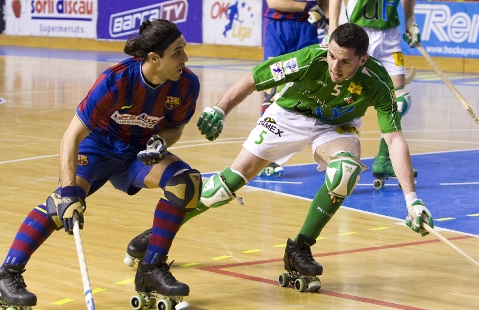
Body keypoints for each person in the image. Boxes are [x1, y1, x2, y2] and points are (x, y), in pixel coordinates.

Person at [125, 23, 433, 293]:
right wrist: (219, 109)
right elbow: (252, 81)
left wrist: (412, 200)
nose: (335, 66)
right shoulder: (309, 59)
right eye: (332, 56)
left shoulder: (376, 82)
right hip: (288, 115)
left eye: (346, 61)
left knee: (346, 173)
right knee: (225, 186)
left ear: (363, 60)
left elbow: (393, 138)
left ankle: (300, 249)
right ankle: (160, 232)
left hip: (336, 126)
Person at [0, 19, 202, 310]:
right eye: (177, 53)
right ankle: (5, 275)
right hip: (97, 148)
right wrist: (70, 190)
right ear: (154, 58)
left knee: (185, 183)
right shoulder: (115, 82)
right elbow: (70, 137)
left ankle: (151, 268)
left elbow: (174, 128)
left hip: (138, 153)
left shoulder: (186, 84)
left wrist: (159, 143)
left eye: (184, 50)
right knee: (64, 203)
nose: (185, 59)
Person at [328, 0, 420, 187]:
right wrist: (333, 29)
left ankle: (383, 160)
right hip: (357, 33)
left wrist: (410, 21)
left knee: (400, 99)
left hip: (389, 34)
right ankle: (340, 159)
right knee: (345, 98)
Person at [259, 0, 329, 177]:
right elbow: (273, 2)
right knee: (272, 90)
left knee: (310, 90)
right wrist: (307, 7)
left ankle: (329, 149)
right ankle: (265, 153)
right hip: (279, 27)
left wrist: (325, 19)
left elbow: (324, 3)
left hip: (307, 29)